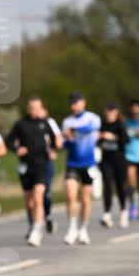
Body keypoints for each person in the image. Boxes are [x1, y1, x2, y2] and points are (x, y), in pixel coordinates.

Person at [6, 97, 54, 247]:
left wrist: (53, 150)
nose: (34, 110)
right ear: (28, 108)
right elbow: (8, 141)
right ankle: (32, 224)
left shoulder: (45, 123)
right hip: (26, 166)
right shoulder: (21, 124)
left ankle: (37, 230)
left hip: (41, 165)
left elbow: (54, 140)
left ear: (41, 108)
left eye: (37, 108)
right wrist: (17, 149)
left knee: (38, 196)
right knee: (29, 201)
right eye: (32, 107)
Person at [61, 92, 100, 244]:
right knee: (71, 196)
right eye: (71, 103)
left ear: (83, 102)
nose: (73, 106)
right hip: (72, 163)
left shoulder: (92, 117)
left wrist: (74, 131)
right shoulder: (67, 121)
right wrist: (66, 140)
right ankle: (72, 227)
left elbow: (90, 128)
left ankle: (84, 228)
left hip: (88, 163)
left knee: (86, 199)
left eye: (76, 102)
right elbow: (66, 142)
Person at [98, 102, 129, 228]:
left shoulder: (120, 125)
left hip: (119, 160)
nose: (110, 114)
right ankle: (107, 213)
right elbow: (97, 140)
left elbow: (126, 140)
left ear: (116, 112)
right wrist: (99, 137)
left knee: (120, 186)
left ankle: (123, 211)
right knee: (108, 186)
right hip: (106, 160)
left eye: (112, 111)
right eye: (108, 111)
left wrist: (113, 137)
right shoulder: (102, 125)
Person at [41, 104, 63, 234]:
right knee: (32, 196)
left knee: (45, 191)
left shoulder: (50, 122)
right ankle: (33, 225)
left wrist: (54, 150)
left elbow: (58, 138)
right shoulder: (26, 123)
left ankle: (48, 216)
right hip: (32, 162)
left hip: (46, 161)